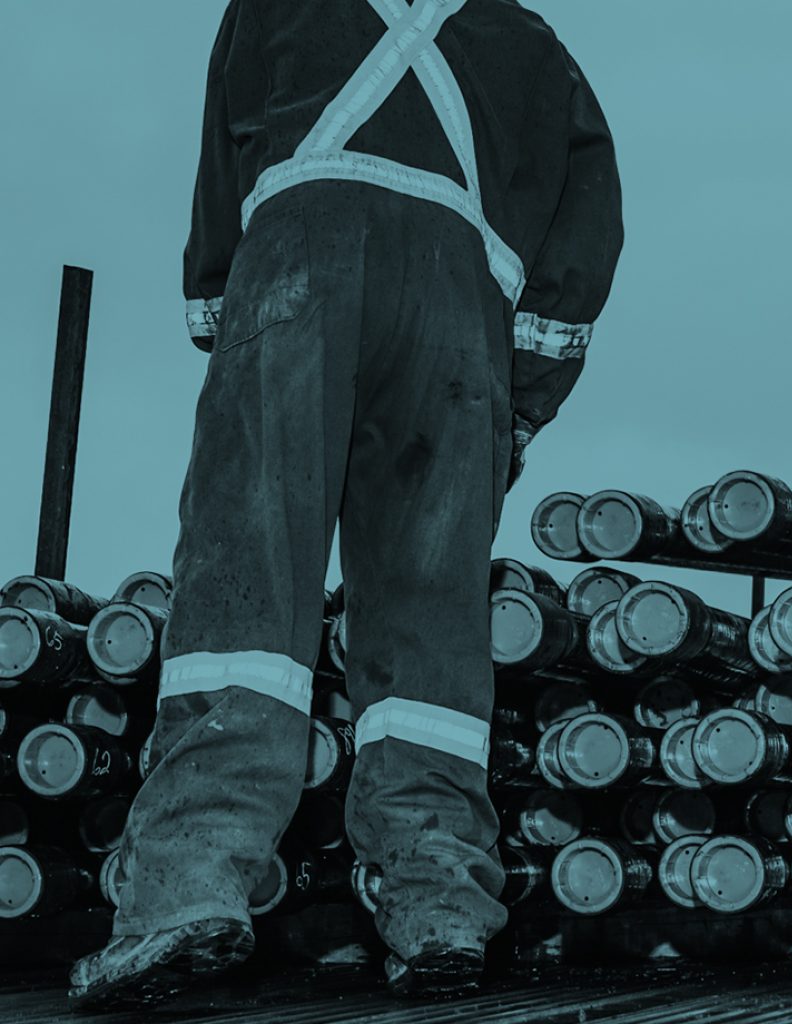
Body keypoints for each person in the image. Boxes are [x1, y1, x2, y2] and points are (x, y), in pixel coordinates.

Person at [68, 0, 623, 1010]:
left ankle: (188, 888)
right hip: (463, 315)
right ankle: (440, 902)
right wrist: (518, 407)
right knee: (430, 616)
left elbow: (221, 157)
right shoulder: (531, 42)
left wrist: (229, 322)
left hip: (300, 266)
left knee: (246, 589)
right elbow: (589, 225)